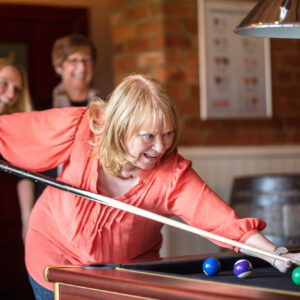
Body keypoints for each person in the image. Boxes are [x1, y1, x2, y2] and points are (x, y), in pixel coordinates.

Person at [0, 74, 299, 299]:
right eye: (148, 136)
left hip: (125, 274)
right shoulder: (80, 127)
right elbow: (8, 132)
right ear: (120, 128)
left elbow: (221, 221)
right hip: (52, 263)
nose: (160, 146)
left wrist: (276, 253)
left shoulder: (171, 174)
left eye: (168, 133)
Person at [34, 33, 101, 199]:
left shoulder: (109, 108)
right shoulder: (42, 109)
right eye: (73, 60)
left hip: (96, 196)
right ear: (59, 66)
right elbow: (28, 165)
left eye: (87, 60)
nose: (82, 67)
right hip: (49, 197)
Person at [0, 57, 35, 241]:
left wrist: (27, 218)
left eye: (17, 89)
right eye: (3, 84)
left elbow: (24, 175)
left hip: (9, 215)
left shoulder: (18, 129)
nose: (11, 94)